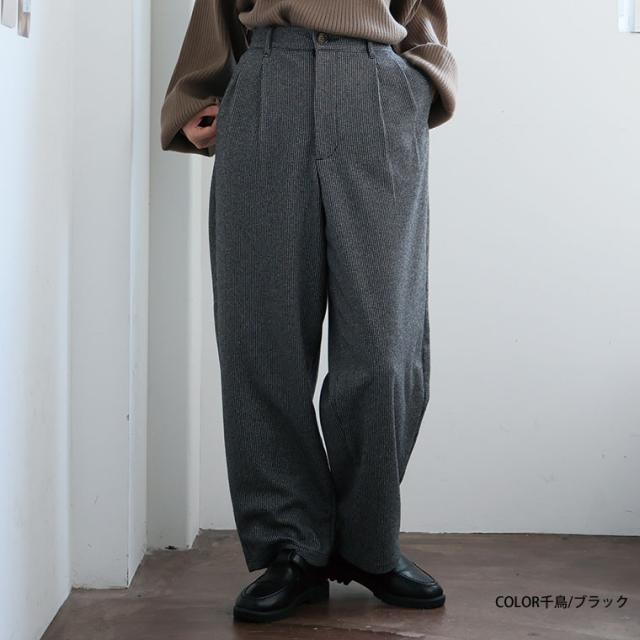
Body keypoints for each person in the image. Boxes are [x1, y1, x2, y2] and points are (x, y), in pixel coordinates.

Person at [160, 0, 458, 624]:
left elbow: (423, 15)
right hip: (269, 86)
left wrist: (419, 85)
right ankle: (291, 547)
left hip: (376, 89)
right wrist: (195, 97)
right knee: (260, 335)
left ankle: (369, 542)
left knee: (385, 347)